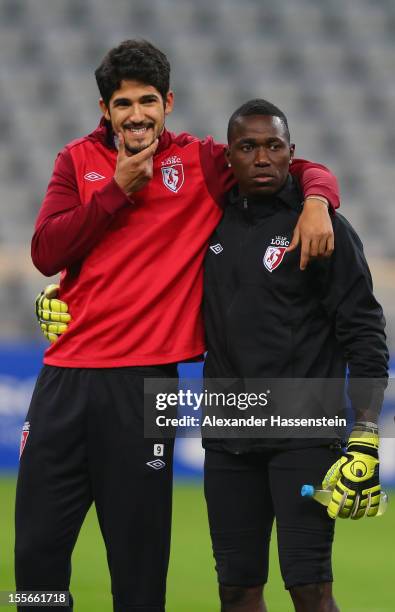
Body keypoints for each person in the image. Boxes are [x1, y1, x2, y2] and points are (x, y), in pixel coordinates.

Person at [20, 40, 340, 612]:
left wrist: (318, 200)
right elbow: (47, 251)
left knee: (138, 566)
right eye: (123, 104)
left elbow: (285, 160)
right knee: (37, 558)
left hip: (145, 385)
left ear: (168, 102)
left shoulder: (198, 162)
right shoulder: (76, 160)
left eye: (148, 101)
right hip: (62, 379)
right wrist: (117, 191)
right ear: (105, 110)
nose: (136, 114)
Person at [202, 99, 389, 612]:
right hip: (228, 438)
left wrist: (365, 434)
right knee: (236, 590)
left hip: (304, 437)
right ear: (229, 158)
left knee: (309, 588)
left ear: (291, 154)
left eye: (273, 146)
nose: (262, 157)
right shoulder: (205, 225)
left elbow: (366, 333)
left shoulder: (325, 226)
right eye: (248, 146)